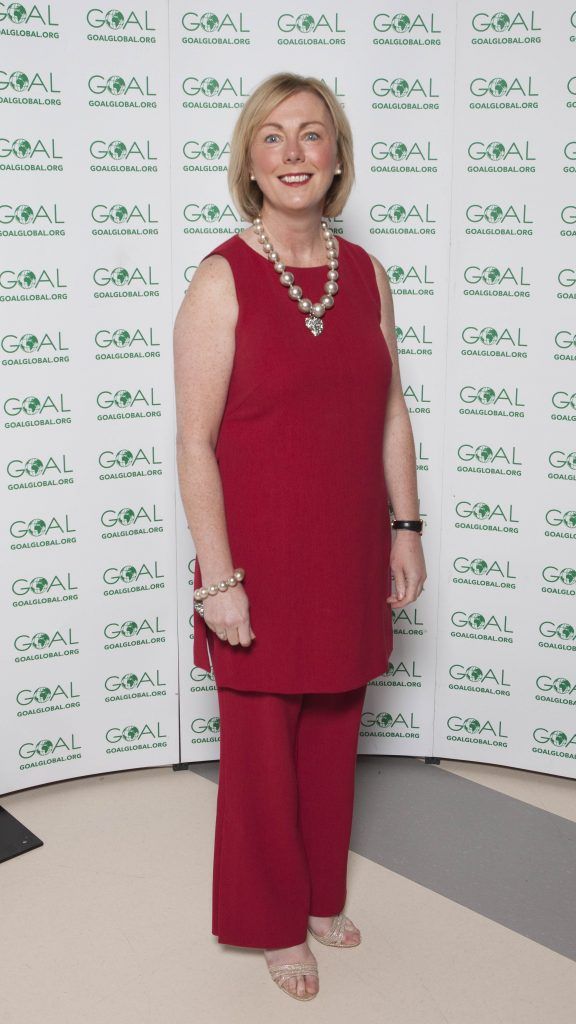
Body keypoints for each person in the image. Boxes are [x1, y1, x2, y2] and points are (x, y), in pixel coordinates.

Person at [173, 71, 427, 1002]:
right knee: (261, 744)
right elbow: (195, 442)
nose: (293, 154)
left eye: (311, 135)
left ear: (336, 158)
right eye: (272, 137)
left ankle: (320, 894)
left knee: (333, 725)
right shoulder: (221, 279)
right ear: (249, 160)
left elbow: (391, 410)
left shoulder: (366, 274)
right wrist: (218, 579)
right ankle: (272, 920)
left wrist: (405, 528)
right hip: (258, 557)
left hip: (350, 542)